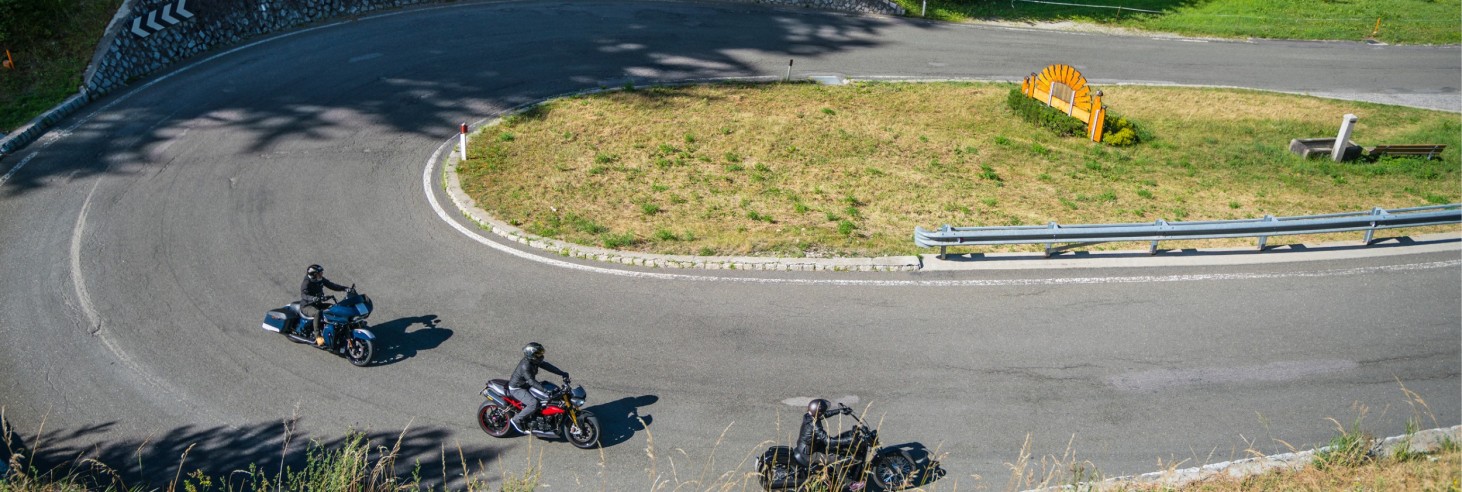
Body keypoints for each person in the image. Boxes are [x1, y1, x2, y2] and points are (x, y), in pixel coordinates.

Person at [508, 342, 570, 433]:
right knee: (533, 403)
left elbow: (547, 366)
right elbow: (532, 381)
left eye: (541, 353)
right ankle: (516, 420)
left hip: (526, 385)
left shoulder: (534, 361)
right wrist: (545, 390)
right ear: (531, 355)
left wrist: (561, 373)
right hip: (517, 388)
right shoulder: (525, 366)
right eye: (538, 354)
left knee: (548, 395)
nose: (540, 355)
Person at [795, 398, 856, 469]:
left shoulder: (808, 416)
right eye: (822, 411)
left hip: (807, 446)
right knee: (837, 460)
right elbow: (828, 441)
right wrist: (849, 440)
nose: (824, 413)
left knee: (832, 449)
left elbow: (824, 414)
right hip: (809, 455)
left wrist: (839, 411)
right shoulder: (814, 424)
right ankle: (847, 480)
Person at [299, 264, 348, 346]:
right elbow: (304, 295)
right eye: (320, 273)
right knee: (317, 313)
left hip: (318, 303)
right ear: (314, 274)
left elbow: (331, 285)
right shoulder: (306, 283)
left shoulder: (319, 279)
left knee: (333, 308)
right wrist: (313, 298)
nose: (321, 274)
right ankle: (317, 336)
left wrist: (345, 288)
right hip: (307, 306)